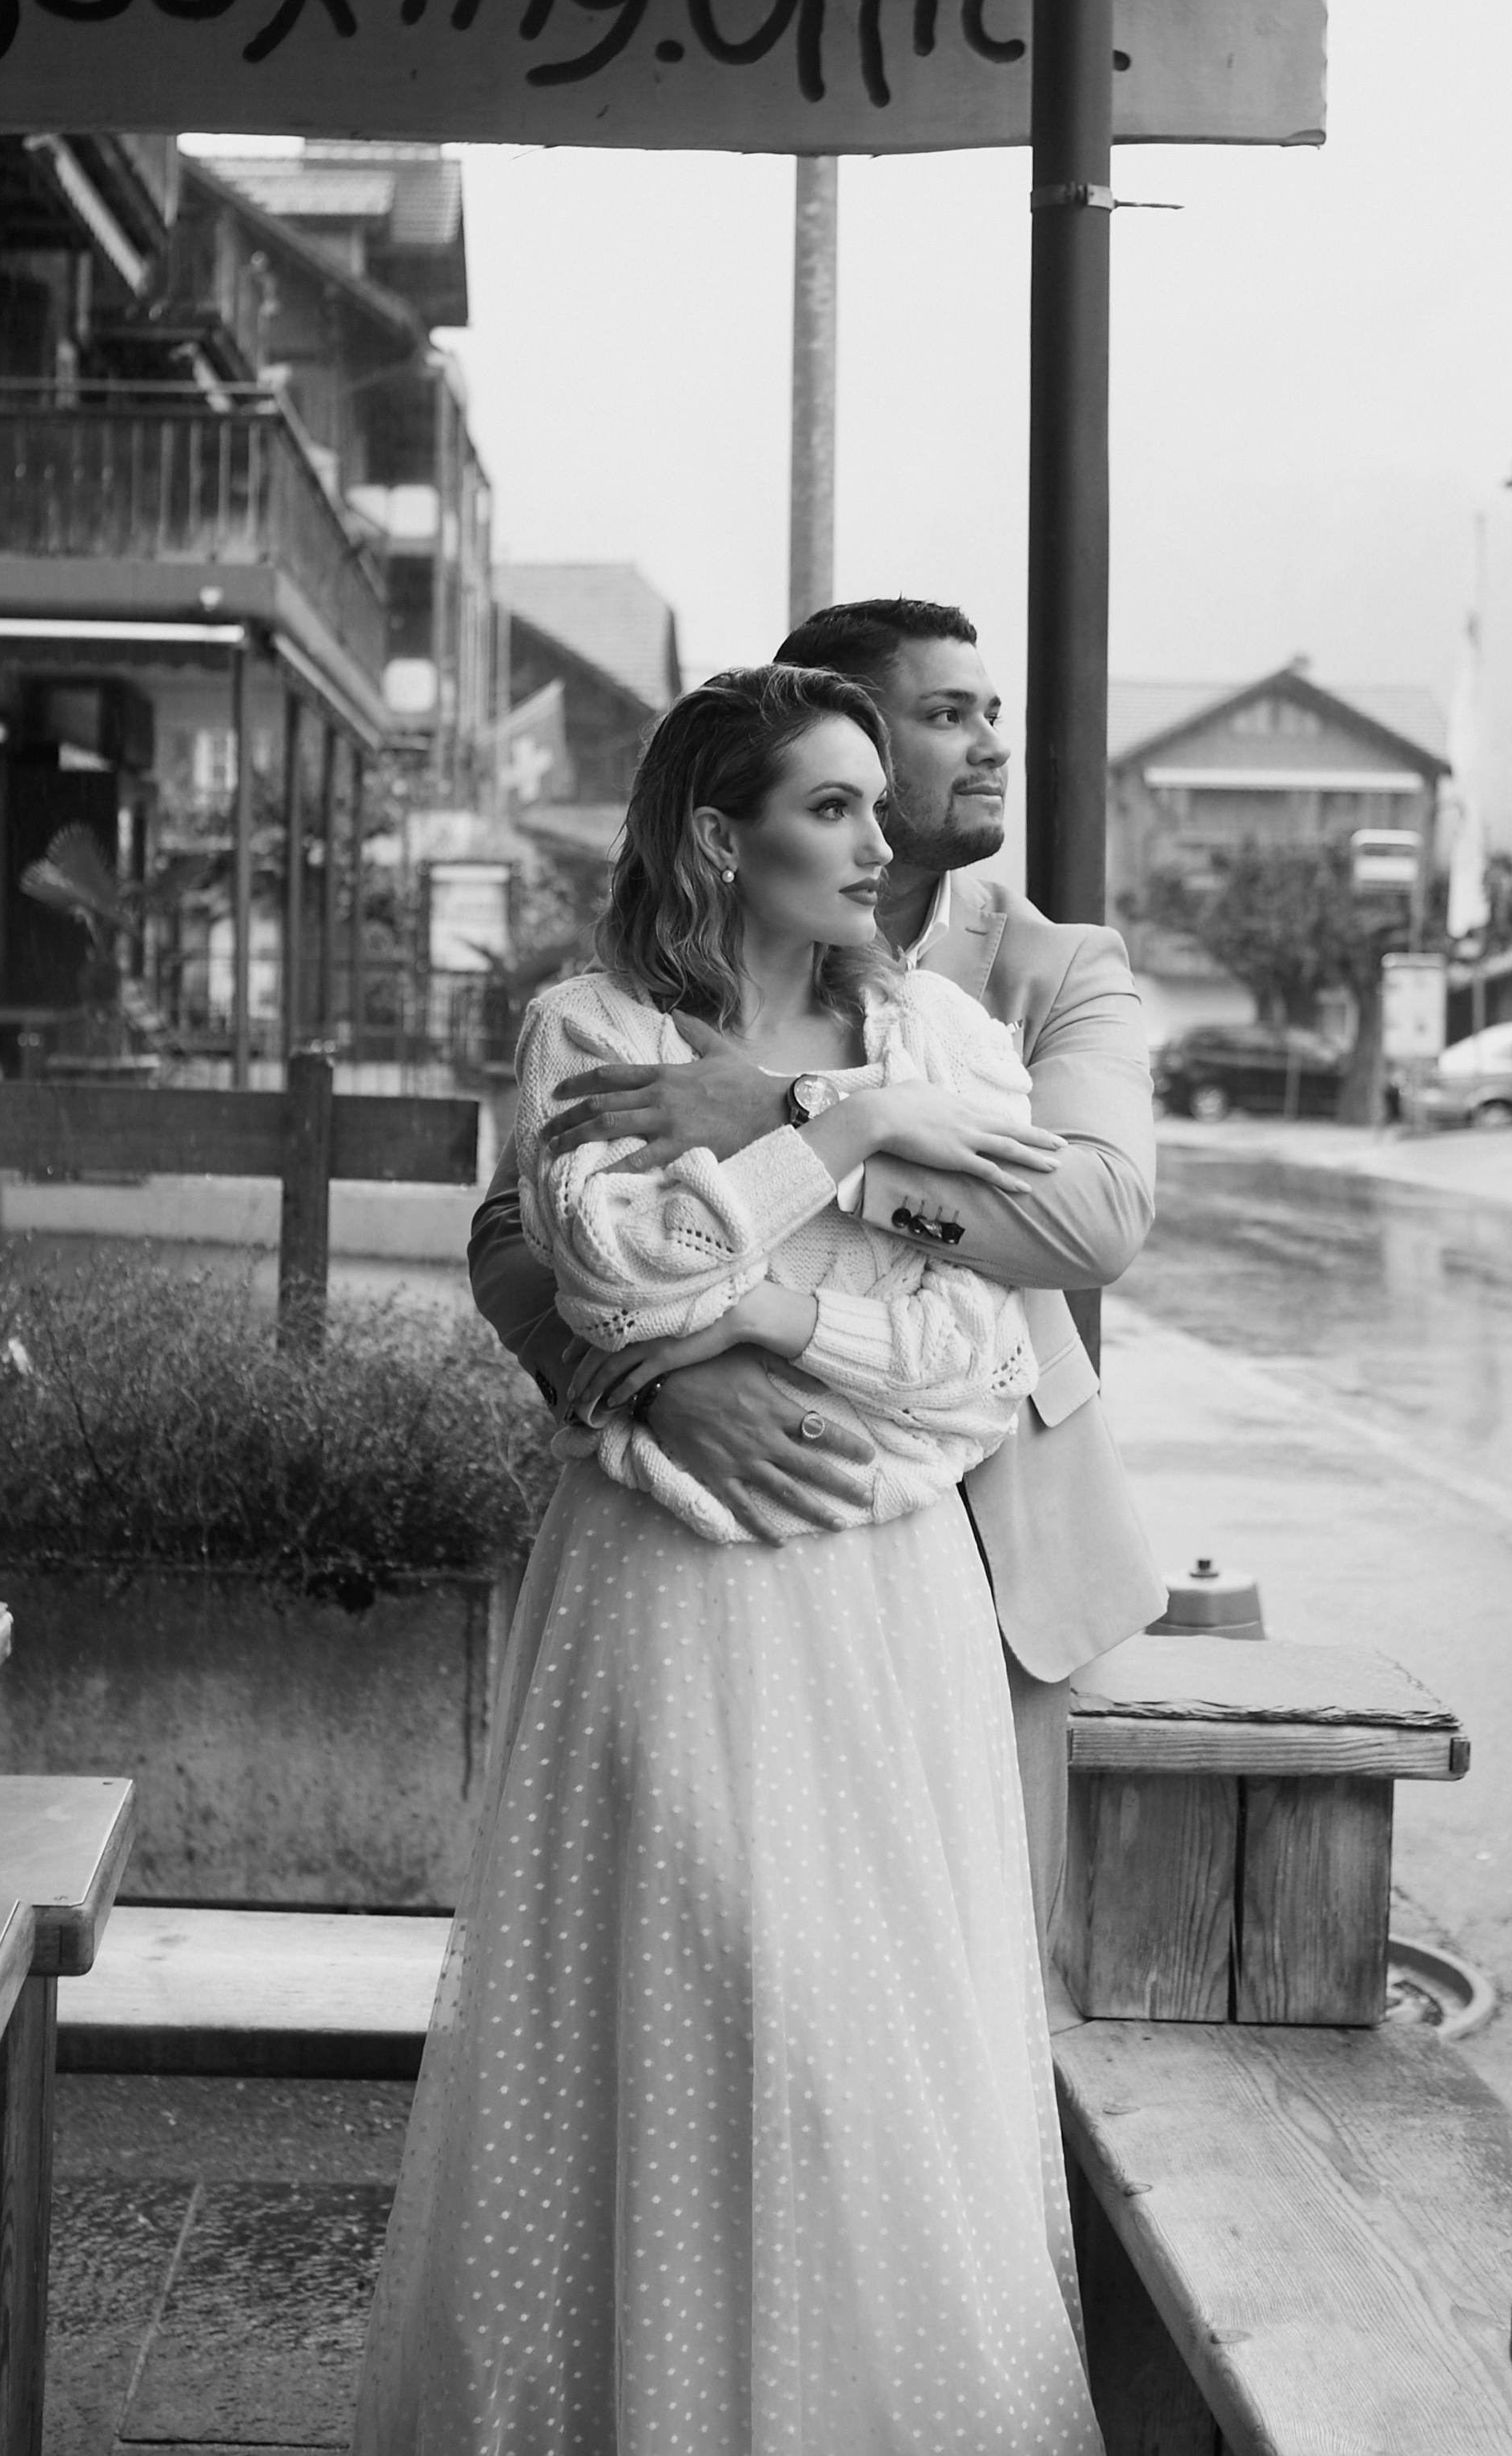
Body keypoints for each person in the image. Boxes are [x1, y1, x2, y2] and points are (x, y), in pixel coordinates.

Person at [354, 664, 1104, 2454]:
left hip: (887, 1596)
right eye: (833, 807)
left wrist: (769, 1265)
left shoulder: (949, 1047)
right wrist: (829, 1139)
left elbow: (986, 1363)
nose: (881, 836)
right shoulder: (594, 1030)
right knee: (673, 2004)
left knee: (872, 2039)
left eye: (878, 801)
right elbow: (607, 1286)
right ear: (719, 837)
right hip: (666, 1590)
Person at [472, 600, 1165, 1944]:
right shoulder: (605, 1004)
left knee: (948, 1974)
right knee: (688, 1955)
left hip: (978, 1527)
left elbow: (1092, 1222)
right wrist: (648, 1386)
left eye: (995, 712)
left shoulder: (1046, 968)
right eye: (946, 714)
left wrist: (800, 1115)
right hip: (690, 1505)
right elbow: (517, 1232)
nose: (989, 747)